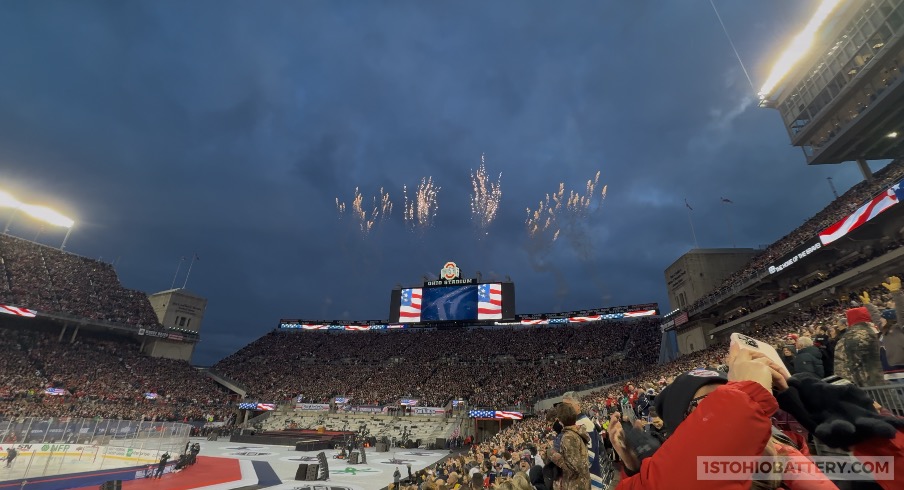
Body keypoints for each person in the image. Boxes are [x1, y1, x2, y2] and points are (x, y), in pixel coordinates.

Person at [560, 391, 603, 489]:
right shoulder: (574, 423)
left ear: (578, 406)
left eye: (568, 405)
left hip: (588, 480)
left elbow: (589, 457)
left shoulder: (584, 424)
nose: (565, 409)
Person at [835, 306, 886, 387]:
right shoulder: (866, 333)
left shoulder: (844, 337)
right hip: (873, 380)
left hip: (857, 383)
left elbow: (841, 367)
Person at [547, 402, 590, 490]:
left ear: (560, 420)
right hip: (582, 482)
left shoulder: (568, 437)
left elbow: (574, 467)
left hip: (575, 485)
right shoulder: (576, 431)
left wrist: (552, 454)